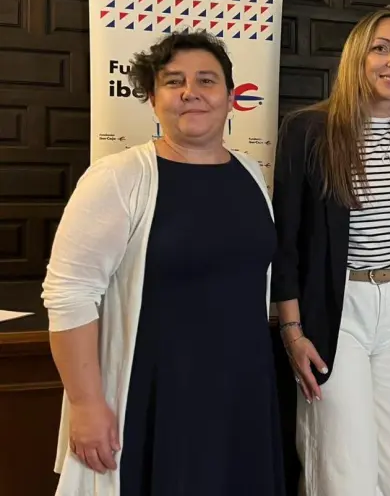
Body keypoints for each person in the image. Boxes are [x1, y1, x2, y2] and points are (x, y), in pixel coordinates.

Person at [41, 30, 284, 495]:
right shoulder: (120, 177)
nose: (190, 92)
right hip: (157, 399)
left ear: (232, 98)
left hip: (241, 395)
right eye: (174, 82)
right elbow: (69, 293)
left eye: (206, 81)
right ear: (153, 99)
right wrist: (87, 404)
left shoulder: (251, 173)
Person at [271, 4, 390, 496]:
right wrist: (292, 331)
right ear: (356, 58)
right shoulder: (309, 131)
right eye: (382, 48)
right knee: (344, 468)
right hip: (338, 309)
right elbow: (285, 243)